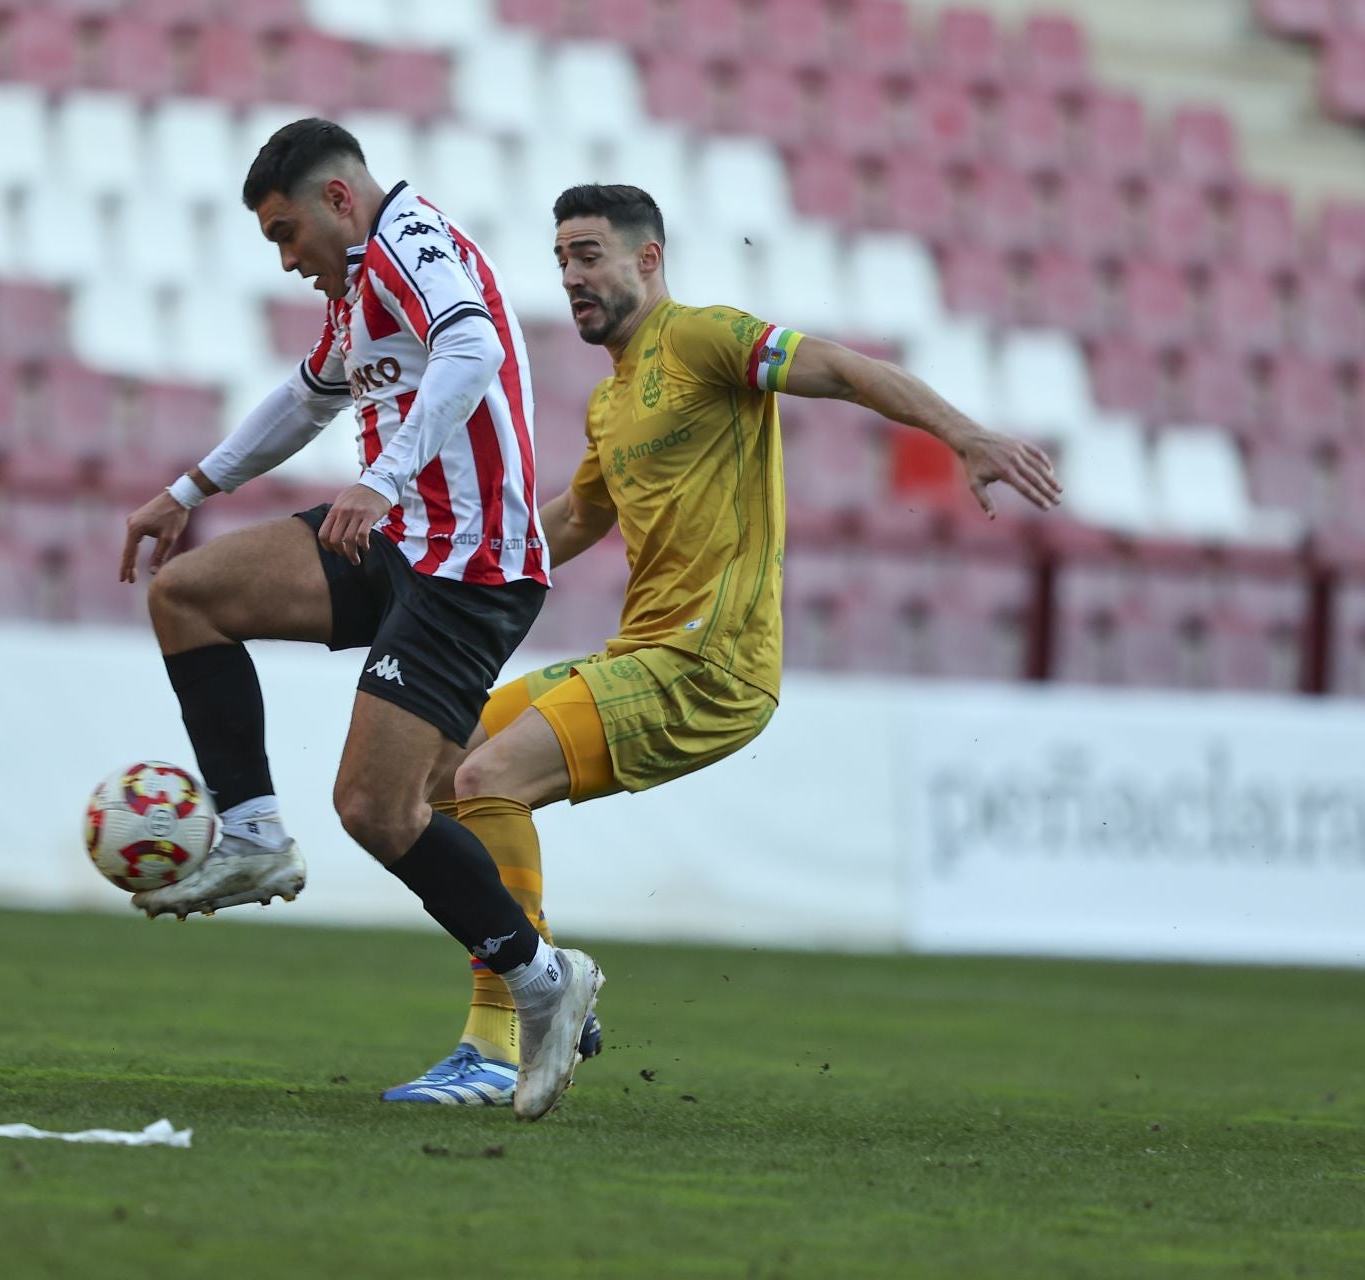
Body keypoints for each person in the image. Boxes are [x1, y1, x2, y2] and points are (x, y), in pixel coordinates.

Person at [381, 184, 1063, 1105]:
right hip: (643, 653)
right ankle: (549, 998)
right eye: (561, 262)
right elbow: (580, 517)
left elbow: (845, 369)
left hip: (714, 664)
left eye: (589, 255)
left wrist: (963, 434)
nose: (572, 277)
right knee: (438, 763)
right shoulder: (611, 402)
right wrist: (457, 562)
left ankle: (502, 1035)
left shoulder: (703, 339)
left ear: (648, 259)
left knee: (485, 781)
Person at [118, 119, 598, 1120]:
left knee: (381, 809)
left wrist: (381, 478)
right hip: (398, 541)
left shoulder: (413, 240)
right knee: (187, 594)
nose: (288, 260)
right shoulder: (357, 289)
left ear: (340, 201)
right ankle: (251, 835)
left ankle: (546, 982)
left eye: (287, 233)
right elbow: (305, 400)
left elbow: (467, 340)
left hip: (467, 563)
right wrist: (185, 488)